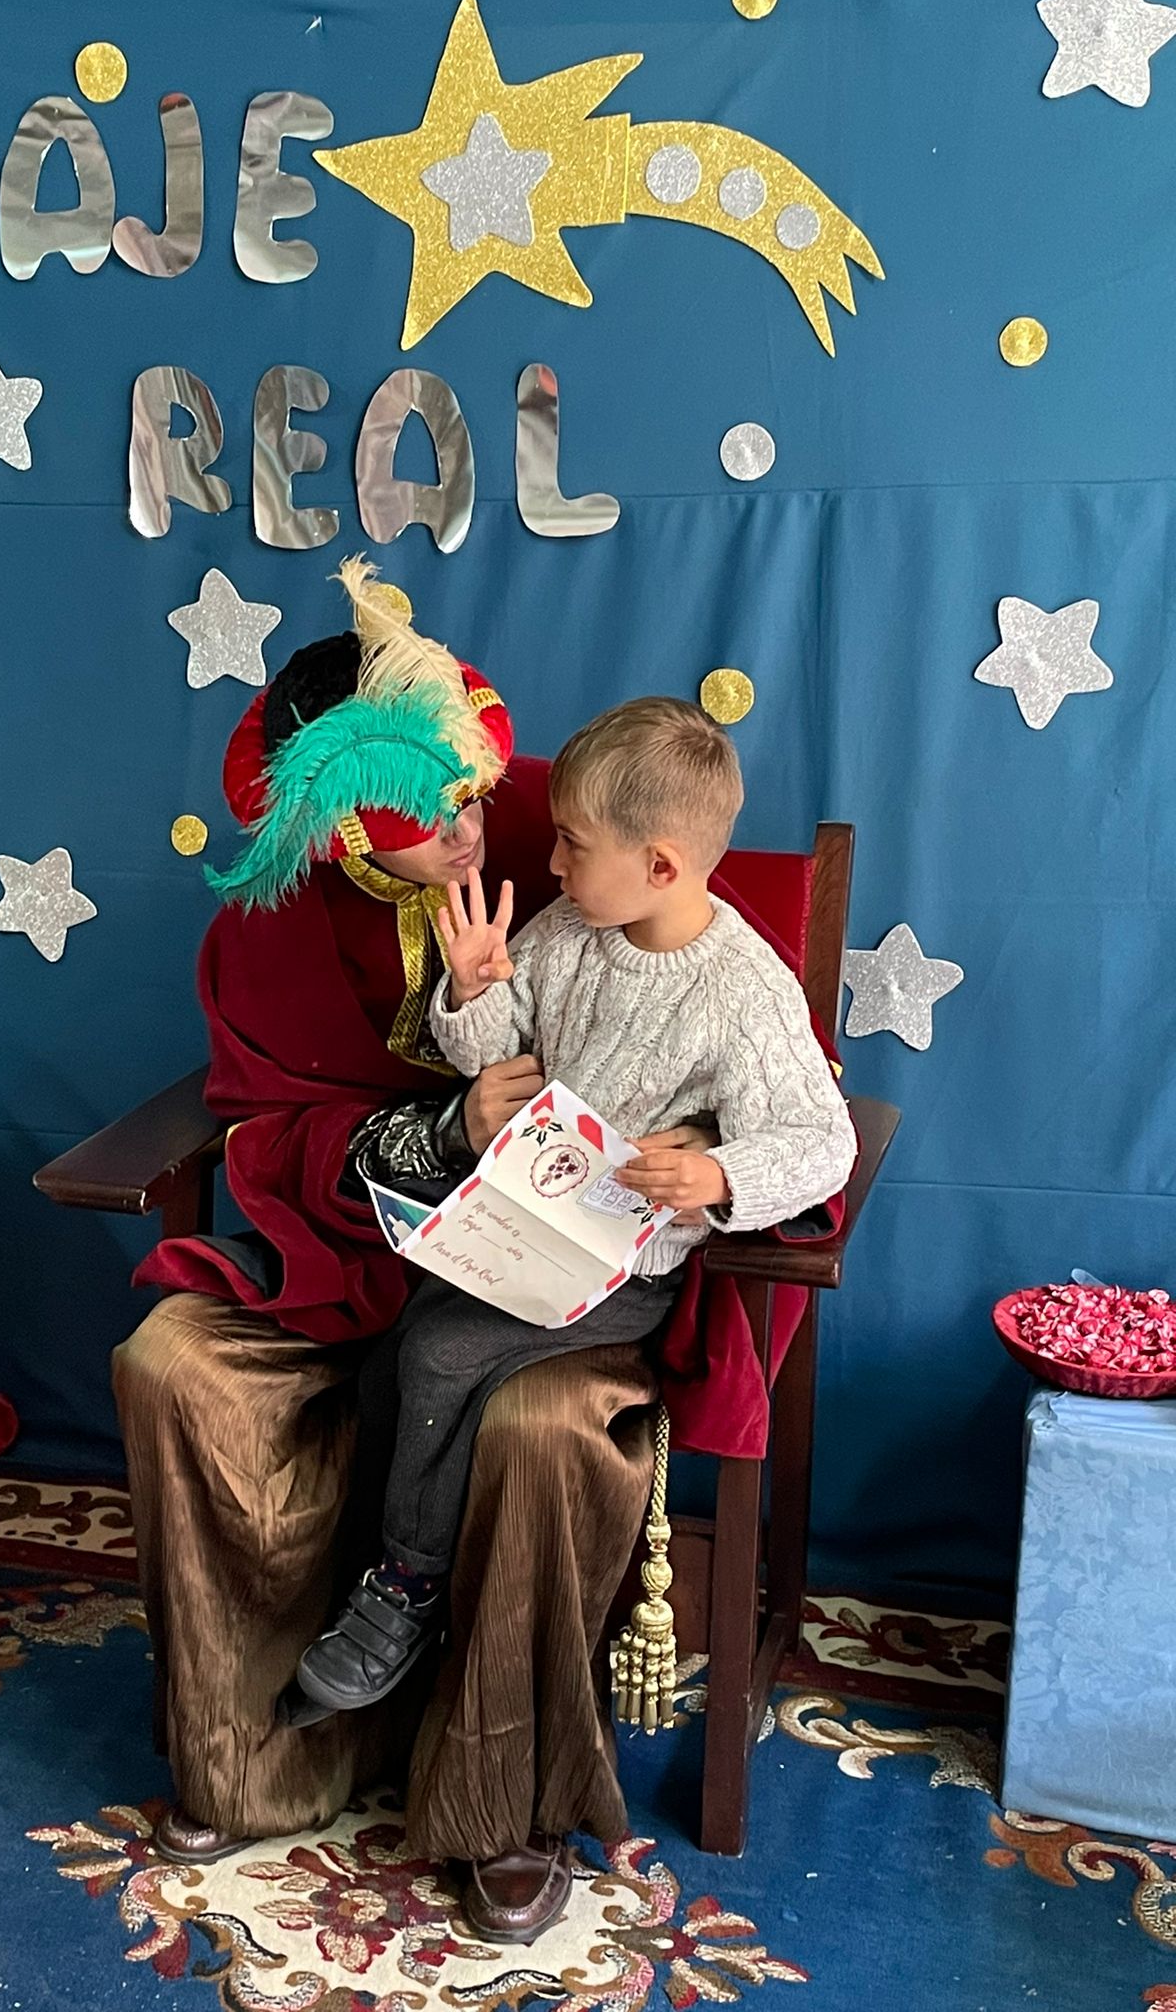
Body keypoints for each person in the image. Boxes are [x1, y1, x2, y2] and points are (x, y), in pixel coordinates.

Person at [112, 562, 845, 1942]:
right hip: (357, 1240)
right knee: (180, 1367)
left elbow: (797, 1114)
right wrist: (452, 1099)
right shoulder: (294, 925)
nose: (483, 836)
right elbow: (275, 1113)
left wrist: (716, 1166)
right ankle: (260, 1754)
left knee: (520, 1417)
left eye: (480, 805)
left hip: (583, 1255)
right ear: (343, 827)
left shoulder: (577, 845)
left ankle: (499, 1793)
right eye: (435, 821)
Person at [293, 698, 857, 1722]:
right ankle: (380, 1574)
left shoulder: (744, 990)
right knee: (392, 1357)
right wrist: (474, 995)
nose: (549, 862)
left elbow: (823, 1141)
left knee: (441, 1353)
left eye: (571, 844)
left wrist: (719, 1176)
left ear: (661, 865)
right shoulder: (567, 931)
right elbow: (494, 1051)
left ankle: (407, 1588)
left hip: (622, 1267)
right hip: (517, 1221)